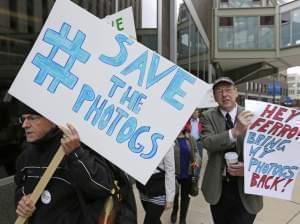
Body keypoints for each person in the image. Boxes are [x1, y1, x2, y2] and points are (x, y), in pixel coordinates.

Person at [15, 104, 137, 224]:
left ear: (52, 120)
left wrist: (76, 154)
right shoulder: (24, 158)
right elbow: (20, 192)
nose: (25, 125)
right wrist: (22, 204)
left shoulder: (78, 146)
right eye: (23, 119)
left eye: (32, 118)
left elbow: (103, 187)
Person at [200, 77, 263, 224]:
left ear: (236, 92)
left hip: (246, 189)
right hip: (219, 187)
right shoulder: (207, 116)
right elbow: (208, 142)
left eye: (228, 90)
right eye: (219, 91)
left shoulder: (253, 115)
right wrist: (235, 132)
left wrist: (248, 169)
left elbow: (265, 152)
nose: (224, 94)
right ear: (214, 97)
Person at [170, 127, 201, 224]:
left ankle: (183, 218)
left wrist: (196, 160)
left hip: (188, 173)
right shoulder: (169, 138)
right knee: (174, 195)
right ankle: (174, 211)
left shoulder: (190, 138)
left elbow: (196, 152)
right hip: (174, 173)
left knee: (185, 197)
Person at [138, 147, 176, 224]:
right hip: (143, 189)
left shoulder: (168, 144)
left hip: (158, 191)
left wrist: (170, 198)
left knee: (150, 221)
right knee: (155, 220)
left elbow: (170, 171)